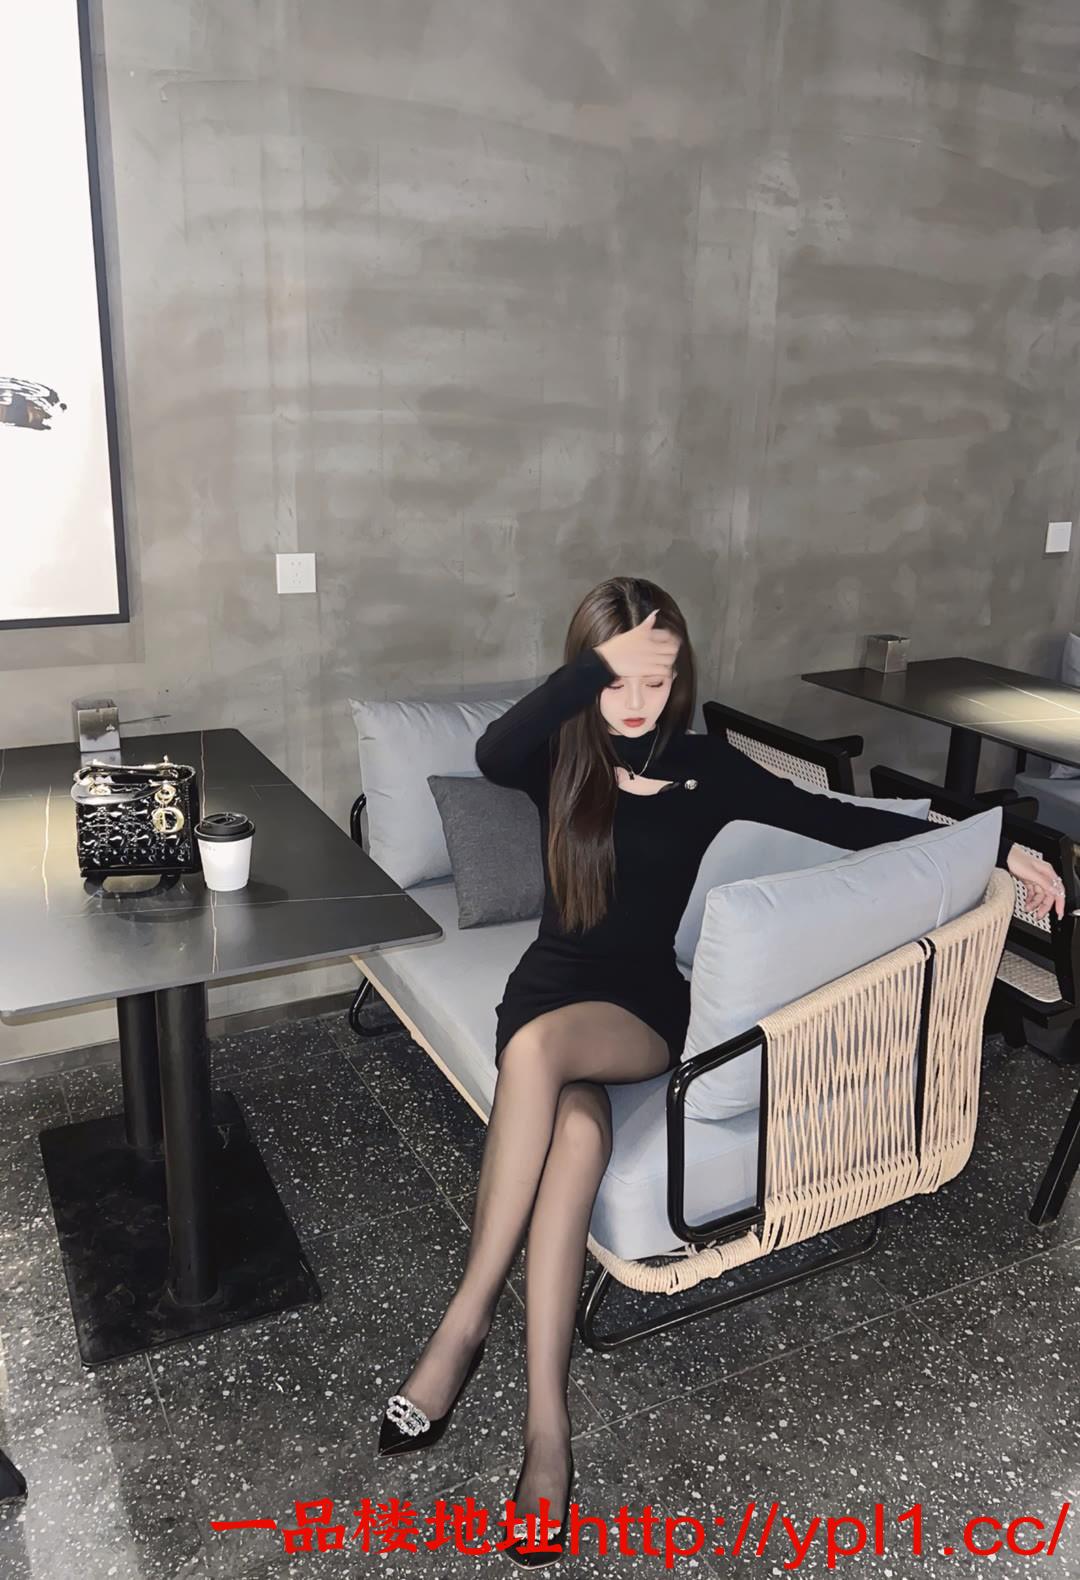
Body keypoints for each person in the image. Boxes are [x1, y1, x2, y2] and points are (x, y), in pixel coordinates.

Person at [376, 575, 1064, 1567]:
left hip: (641, 1011)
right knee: (575, 1130)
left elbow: (844, 819)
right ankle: (547, 1428)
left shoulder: (708, 770)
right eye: (617, 677)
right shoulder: (557, 756)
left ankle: (464, 1321)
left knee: (537, 1054)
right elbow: (490, 751)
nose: (636, 700)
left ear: (681, 677)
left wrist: (998, 842)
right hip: (548, 989)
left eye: (655, 677)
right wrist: (594, 671)